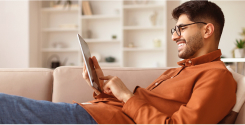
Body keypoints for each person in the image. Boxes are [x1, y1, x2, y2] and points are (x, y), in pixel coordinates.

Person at [0, 0, 236, 124]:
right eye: (174, 29)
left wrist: (126, 96)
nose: (174, 36)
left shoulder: (217, 76)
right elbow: (138, 109)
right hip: (98, 114)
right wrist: (101, 88)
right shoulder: (178, 71)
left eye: (181, 28)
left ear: (207, 30)